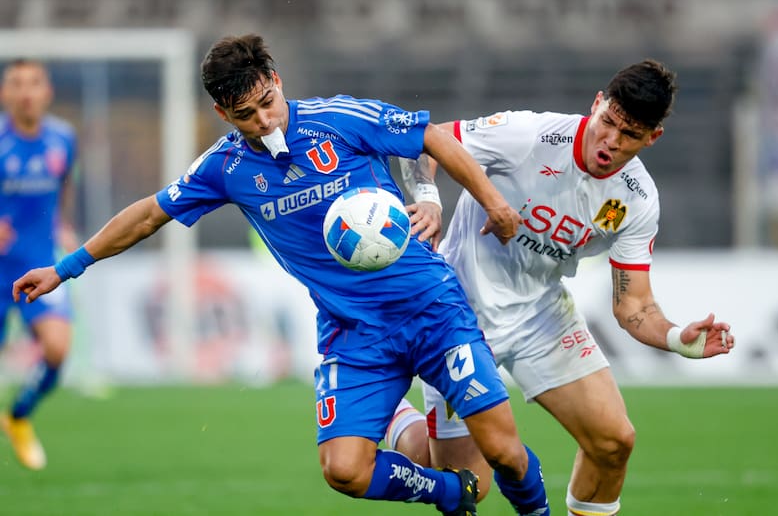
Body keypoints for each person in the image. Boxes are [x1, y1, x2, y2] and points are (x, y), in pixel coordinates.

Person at [12, 34, 550, 515]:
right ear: (224, 114)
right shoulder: (224, 168)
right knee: (344, 470)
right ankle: (451, 493)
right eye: (246, 114)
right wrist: (66, 268)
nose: (264, 121)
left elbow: (429, 137)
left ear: (277, 81)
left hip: (430, 308)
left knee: (503, 451)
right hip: (355, 334)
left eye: (267, 102)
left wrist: (490, 203)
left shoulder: (339, 119)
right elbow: (150, 214)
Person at [385, 59, 735, 516]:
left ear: (653, 138)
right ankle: (399, 421)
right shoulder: (529, 134)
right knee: (466, 486)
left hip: (540, 317)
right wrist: (428, 201)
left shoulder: (636, 199)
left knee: (614, 442)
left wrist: (675, 339)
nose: (610, 141)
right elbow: (420, 145)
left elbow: (633, 305)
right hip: (458, 314)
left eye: (629, 135)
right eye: (607, 122)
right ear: (597, 103)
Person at [0, 59, 80, 470]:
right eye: (16, 83)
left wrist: (62, 224)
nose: (26, 91)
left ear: (47, 91)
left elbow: (63, 185)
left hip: (38, 261)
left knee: (57, 348)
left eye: (34, 83)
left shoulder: (63, 139)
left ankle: (18, 416)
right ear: (4, 94)